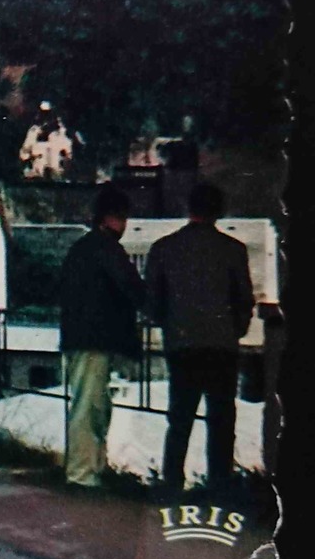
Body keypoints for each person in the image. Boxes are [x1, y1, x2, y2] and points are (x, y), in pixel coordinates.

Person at [145, 183, 254, 491]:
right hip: (222, 345)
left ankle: (172, 484)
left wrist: (170, 324)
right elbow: (244, 300)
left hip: (182, 344)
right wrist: (236, 329)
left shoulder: (164, 248)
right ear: (219, 211)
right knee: (221, 419)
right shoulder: (234, 250)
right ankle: (220, 484)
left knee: (180, 418)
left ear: (188, 208)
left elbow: (153, 302)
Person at [58, 186, 143, 489]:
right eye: (124, 219)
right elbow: (131, 287)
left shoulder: (81, 248)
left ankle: (91, 468)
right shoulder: (107, 249)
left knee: (90, 404)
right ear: (111, 218)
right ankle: (83, 474)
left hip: (79, 336)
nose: (125, 226)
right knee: (90, 407)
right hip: (94, 339)